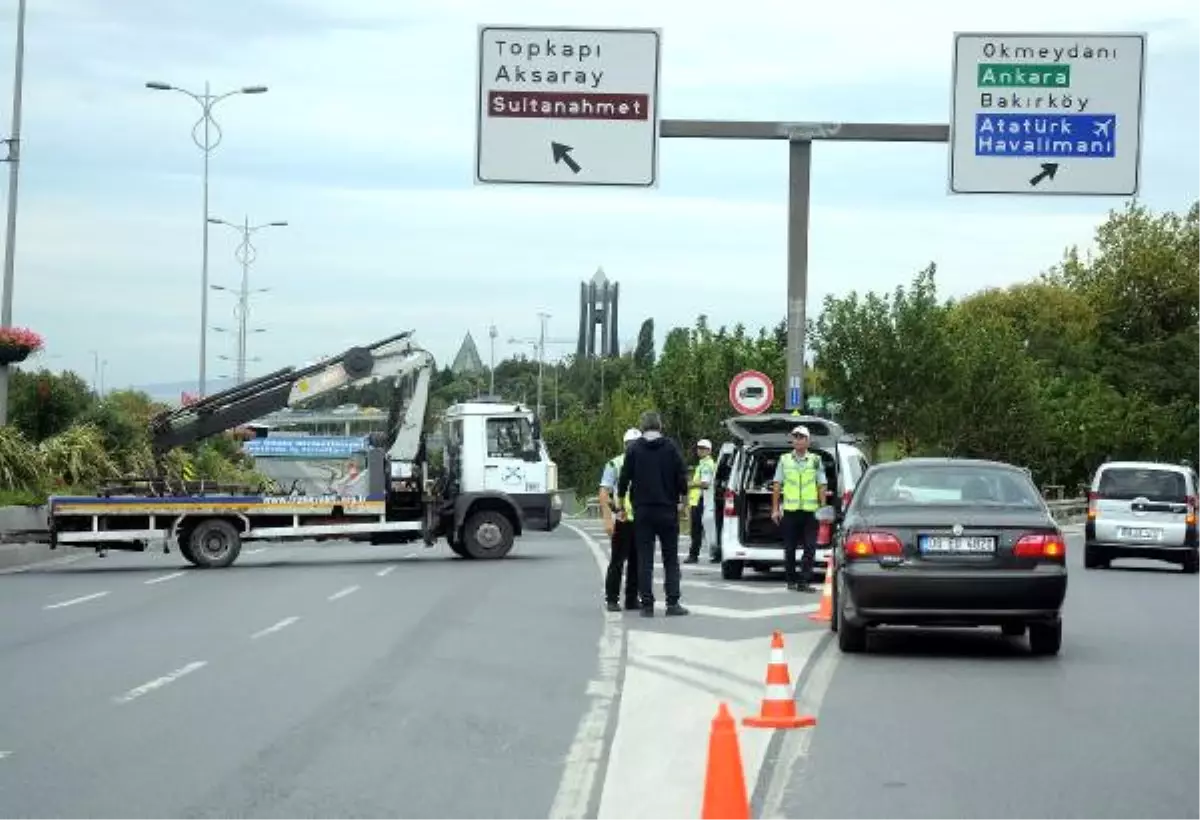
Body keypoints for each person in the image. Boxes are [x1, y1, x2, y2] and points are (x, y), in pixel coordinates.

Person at [617, 410, 690, 617]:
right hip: (667, 510)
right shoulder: (670, 447)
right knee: (670, 558)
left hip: (643, 511)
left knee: (645, 559)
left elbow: (624, 479)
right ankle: (672, 603)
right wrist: (683, 503)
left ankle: (647, 604)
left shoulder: (634, 449)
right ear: (660, 426)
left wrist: (621, 504)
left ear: (642, 427)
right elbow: (681, 476)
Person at [770, 425, 828, 592]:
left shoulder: (816, 460)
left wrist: (823, 508)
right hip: (790, 510)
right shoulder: (784, 459)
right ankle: (791, 579)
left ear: (808, 441)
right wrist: (775, 509)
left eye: (801, 437)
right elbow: (777, 484)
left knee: (810, 547)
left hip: (810, 512)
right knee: (789, 548)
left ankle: (804, 581)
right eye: (795, 437)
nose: (798, 440)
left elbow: (821, 484)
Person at [598, 428, 642, 612]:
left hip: (641, 519)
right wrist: (609, 518)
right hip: (622, 518)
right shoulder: (614, 464)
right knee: (618, 560)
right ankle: (612, 599)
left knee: (637, 561)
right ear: (625, 445)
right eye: (629, 444)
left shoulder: (646, 462)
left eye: (635, 444)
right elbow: (604, 492)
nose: (632, 447)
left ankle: (632, 599)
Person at [685, 439, 716, 564]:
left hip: (701, 500)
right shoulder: (702, 464)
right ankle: (714, 553)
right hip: (698, 500)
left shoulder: (707, 464)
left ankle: (693, 555)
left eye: (703, 448)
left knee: (696, 530)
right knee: (702, 529)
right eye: (699, 448)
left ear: (709, 450)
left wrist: (689, 484)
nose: (700, 450)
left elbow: (705, 483)